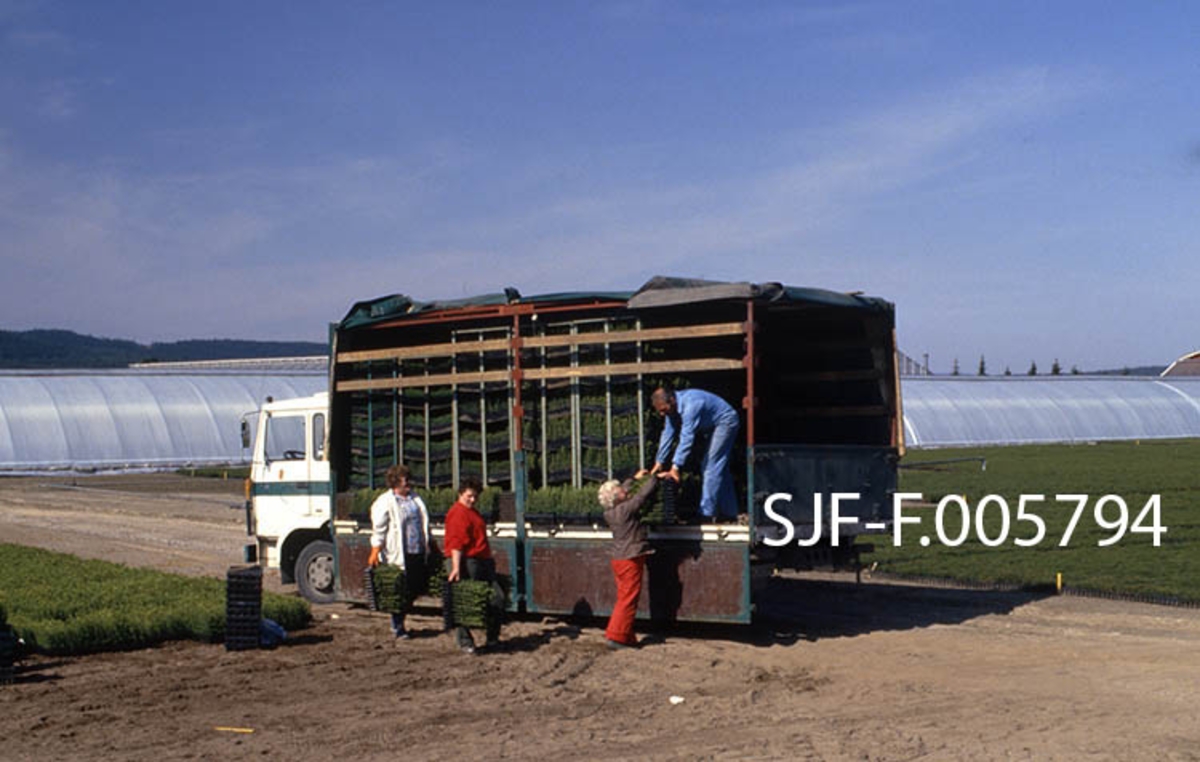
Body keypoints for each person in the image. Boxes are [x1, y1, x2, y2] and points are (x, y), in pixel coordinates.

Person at [649, 386, 740, 522]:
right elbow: (668, 433)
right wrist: (659, 461)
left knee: (710, 466)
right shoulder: (671, 409)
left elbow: (687, 437)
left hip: (725, 421)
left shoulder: (691, 404)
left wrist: (675, 467)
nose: (662, 414)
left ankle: (706, 514)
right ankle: (730, 512)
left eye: (663, 410)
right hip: (711, 426)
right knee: (719, 468)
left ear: (672, 400)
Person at [368, 464, 432, 640]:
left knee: (413, 588)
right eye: (405, 481)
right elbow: (379, 529)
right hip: (398, 552)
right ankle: (397, 625)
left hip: (416, 550)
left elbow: (424, 522)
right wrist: (375, 550)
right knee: (400, 590)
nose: (409, 483)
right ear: (395, 483)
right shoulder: (385, 502)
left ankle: (400, 621)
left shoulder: (414, 498)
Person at [598, 469, 659, 650]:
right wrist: (654, 477)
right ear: (617, 497)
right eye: (621, 490)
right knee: (628, 598)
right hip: (630, 558)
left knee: (624, 597)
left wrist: (632, 478)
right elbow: (642, 496)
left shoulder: (611, 511)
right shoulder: (625, 510)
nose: (625, 491)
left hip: (620, 559)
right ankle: (616, 635)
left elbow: (623, 492)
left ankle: (625, 636)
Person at [443, 477, 504, 654]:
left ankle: (492, 638)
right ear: (460, 494)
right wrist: (456, 567)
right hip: (466, 561)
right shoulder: (458, 513)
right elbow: (456, 542)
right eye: (469, 496)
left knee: (496, 597)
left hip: (481, 560)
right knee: (465, 601)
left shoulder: (473, 513)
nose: (472, 500)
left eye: (475, 496)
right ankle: (465, 641)